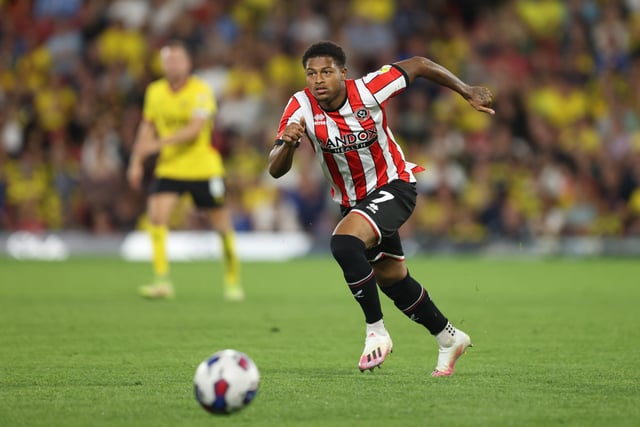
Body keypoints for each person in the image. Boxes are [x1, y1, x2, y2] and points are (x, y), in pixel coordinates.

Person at [268, 41, 494, 376]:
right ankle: (449, 337)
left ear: (343, 73)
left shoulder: (370, 89)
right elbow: (275, 168)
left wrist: (465, 90)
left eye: (327, 72)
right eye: (311, 73)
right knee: (393, 280)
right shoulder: (299, 106)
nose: (318, 80)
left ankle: (376, 331)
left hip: (394, 186)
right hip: (355, 203)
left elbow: (418, 63)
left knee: (343, 243)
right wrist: (287, 142)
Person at [127, 40, 243, 301]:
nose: (173, 64)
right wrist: (135, 161)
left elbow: (194, 130)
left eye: (177, 59)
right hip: (170, 167)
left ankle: (233, 280)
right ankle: (161, 281)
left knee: (222, 226)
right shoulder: (155, 92)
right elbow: (146, 128)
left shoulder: (201, 91)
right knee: (157, 217)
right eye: (168, 60)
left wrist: (155, 145)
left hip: (203, 168)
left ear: (188, 63)